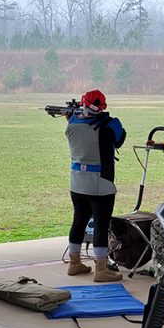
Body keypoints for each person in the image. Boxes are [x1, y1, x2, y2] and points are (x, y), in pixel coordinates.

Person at [65, 90, 126, 282]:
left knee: (79, 221)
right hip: (101, 182)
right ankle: (101, 268)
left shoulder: (72, 122)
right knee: (101, 225)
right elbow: (120, 139)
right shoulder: (109, 124)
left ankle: (74, 263)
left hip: (77, 181)